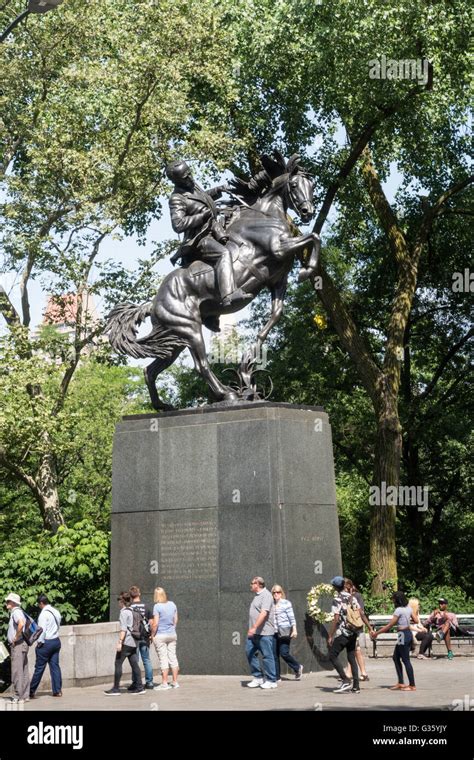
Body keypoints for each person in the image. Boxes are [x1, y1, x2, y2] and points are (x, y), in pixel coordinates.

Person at [166, 160, 252, 307]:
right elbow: (178, 225)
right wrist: (202, 216)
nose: (190, 178)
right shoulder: (177, 198)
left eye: (190, 174)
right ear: (177, 181)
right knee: (224, 253)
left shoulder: (192, 185)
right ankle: (228, 295)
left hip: (213, 230)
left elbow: (203, 198)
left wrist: (218, 190)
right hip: (199, 239)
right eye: (185, 177)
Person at [328, 576, 373, 694]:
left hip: (343, 633)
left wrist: (330, 635)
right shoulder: (352, 597)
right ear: (343, 585)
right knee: (351, 657)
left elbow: (336, 619)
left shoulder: (337, 600)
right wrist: (369, 628)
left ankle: (345, 680)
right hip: (354, 632)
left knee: (332, 655)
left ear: (334, 587)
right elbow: (361, 614)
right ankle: (356, 686)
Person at [371, 591, 416, 691]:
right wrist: (406, 620)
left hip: (402, 635)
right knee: (396, 657)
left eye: (393, 599)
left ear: (397, 600)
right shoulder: (408, 608)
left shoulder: (398, 610)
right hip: (406, 633)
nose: (392, 601)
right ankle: (401, 682)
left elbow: (390, 625)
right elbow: (416, 620)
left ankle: (412, 685)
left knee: (406, 660)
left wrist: (376, 633)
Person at [104, 592, 145, 696]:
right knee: (134, 664)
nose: (118, 603)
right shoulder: (133, 610)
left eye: (118, 600)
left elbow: (123, 629)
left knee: (118, 663)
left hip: (126, 642)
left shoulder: (123, 612)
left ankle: (116, 689)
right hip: (134, 642)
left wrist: (120, 642)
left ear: (121, 601)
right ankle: (140, 687)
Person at [246, 576, 278, 689]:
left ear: (258, 584)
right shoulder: (257, 596)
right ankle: (258, 677)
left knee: (267, 655)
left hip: (264, 632)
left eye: (252, 583)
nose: (251, 585)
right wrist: (252, 629)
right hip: (254, 633)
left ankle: (271, 680)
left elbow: (264, 613)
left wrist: (254, 627)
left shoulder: (267, 595)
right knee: (249, 652)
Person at [29, 594, 62, 698]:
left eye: (39, 604)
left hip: (46, 643)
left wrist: (39, 643)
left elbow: (41, 631)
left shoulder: (43, 614)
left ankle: (31, 691)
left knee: (39, 668)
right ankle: (57, 691)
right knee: (55, 667)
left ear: (41, 603)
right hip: (56, 641)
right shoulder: (55, 611)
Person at [271, 584, 303, 681]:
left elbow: (291, 618)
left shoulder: (286, 603)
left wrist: (294, 629)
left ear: (281, 593)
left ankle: (297, 667)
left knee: (284, 653)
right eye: (274, 592)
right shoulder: (270, 604)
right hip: (274, 632)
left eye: (278, 592)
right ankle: (277, 677)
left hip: (284, 631)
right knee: (274, 654)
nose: (276, 594)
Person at [129, 585, 157, 690]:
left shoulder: (129, 607)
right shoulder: (146, 606)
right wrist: (151, 635)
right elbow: (152, 623)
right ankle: (149, 682)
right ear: (139, 594)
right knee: (146, 660)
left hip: (133, 638)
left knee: (134, 661)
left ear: (131, 596)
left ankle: (135, 682)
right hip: (144, 637)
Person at [151, 587, 179, 690]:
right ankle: (175, 682)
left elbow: (156, 624)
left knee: (163, 659)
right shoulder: (172, 604)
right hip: (172, 634)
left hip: (161, 635)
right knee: (173, 658)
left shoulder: (157, 607)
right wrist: (172, 629)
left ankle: (164, 683)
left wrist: (152, 635)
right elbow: (175, 619)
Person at [342, 579, 369, 682]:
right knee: (354, 650)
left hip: (355, 626)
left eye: (345, 587)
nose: (344, 589)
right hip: (348, 627)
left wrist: (369, 628)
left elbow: (360, 611)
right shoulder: (343, 597)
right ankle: (362, 673)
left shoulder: (356, 596)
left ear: (350, 586)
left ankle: (351, 674)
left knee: (354, 649)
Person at [5, 593, 30, 704]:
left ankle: (17, 696)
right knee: (24, 669)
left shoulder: (16, 612)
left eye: (8, 601)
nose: (6, 603)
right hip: (23, 644)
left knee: (17, 670)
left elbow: (21, 624)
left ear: (13, 603)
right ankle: (24, 696)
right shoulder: (19, 612)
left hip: (18, 645)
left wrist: (15, 637)